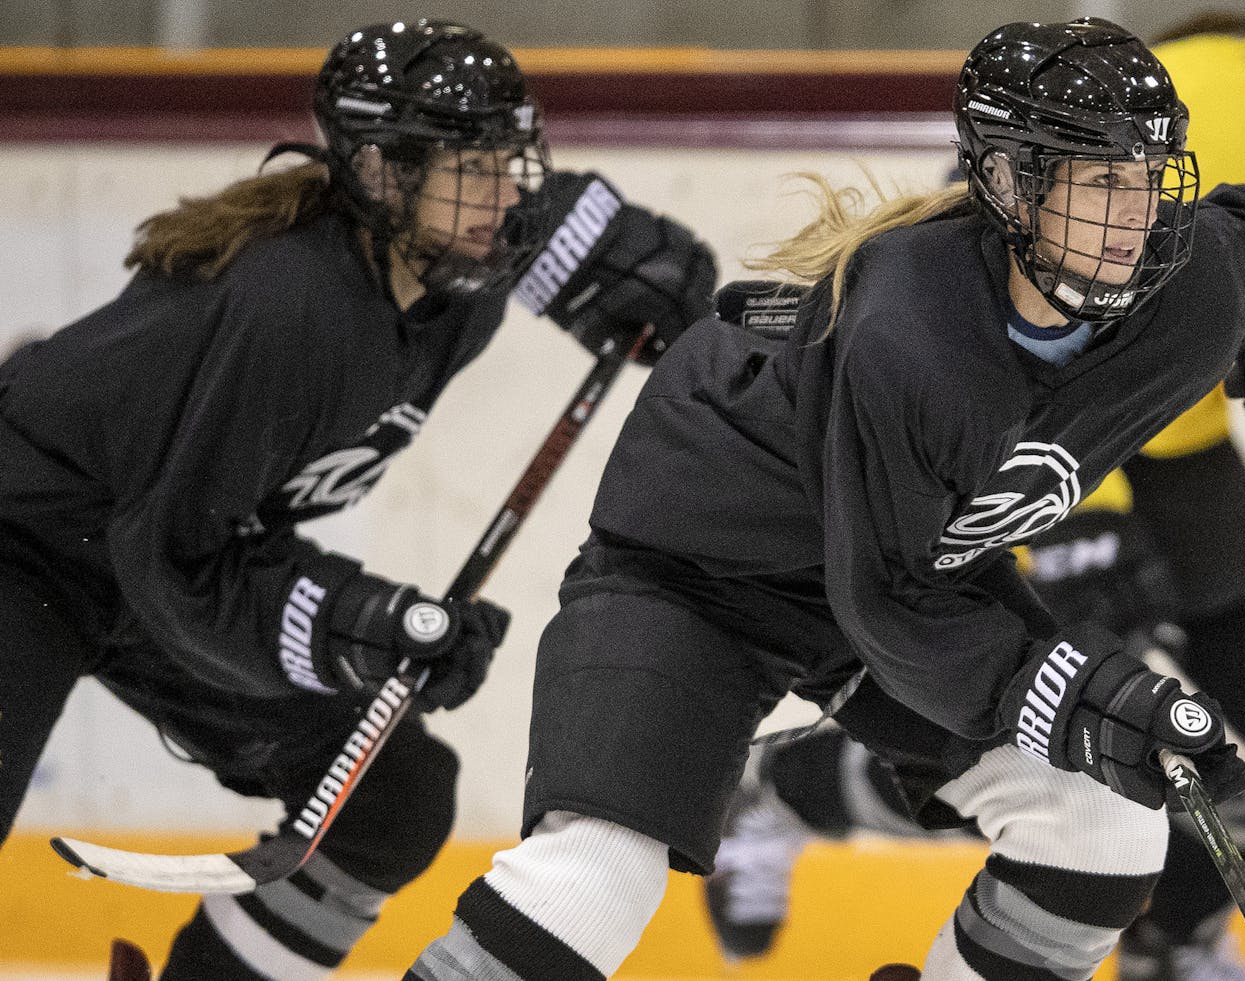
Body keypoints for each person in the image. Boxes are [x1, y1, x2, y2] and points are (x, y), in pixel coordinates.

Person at [403, 18, 1245, 981]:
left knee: (1098, 828)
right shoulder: (911, 334)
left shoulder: (1189, 277)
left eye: (1146, 177)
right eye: (1099, 181)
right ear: (1006, 182)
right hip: (698, 582)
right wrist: (1092, 697)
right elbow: (895, 602)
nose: (1132, 214)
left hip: (897, 572)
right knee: (594, 882)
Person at [703, 3, 1245, 979]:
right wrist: (1087, 522)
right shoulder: (1223, 97)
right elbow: (1042, 295)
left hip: (1172, 437)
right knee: (1068, 739)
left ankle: (1170, 947)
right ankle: (791, 789)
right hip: (1044, 427)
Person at [0, 19, 714, 981]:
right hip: (24, 540)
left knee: (391, 801)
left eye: (513, 159)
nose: (504, 194)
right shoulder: (292, 306)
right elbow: (180, 561)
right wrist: (359, 620)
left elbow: (587, 240)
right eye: (474, 166)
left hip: (147, 544)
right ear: (379, 173)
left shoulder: (460, 267)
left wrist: (648, 267)